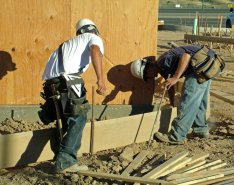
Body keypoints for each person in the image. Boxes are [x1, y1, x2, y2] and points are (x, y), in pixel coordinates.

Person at [41, 18, 106, 173]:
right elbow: (95, 51)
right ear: (94, 30)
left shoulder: (66, 45)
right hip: (69, 80)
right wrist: (100, 80)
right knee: (78, 117)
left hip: (51, 84)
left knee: (64, 119)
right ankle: (66, 161)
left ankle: (61, 156)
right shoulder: (93, 37)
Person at [130, 45, 219, 144]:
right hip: (209, 64)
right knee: (199, 101)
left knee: (188, 102)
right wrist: (172, 103)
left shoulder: (163, 62)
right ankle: (200, 129)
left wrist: (176, 77)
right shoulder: (163, 69)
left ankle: (177, 135)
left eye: (147, 76)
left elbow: (186, 56)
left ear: (148, 69)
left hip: (201, 66)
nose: (150, 78)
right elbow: (170, 86)